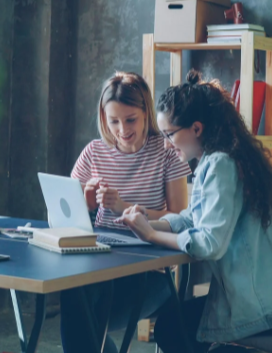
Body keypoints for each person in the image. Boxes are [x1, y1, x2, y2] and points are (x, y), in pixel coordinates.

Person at [118, 69, 272, 353]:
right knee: (177, 325)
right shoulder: (219, 159)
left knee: (172, 328)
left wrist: (150, 234)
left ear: (196, 129)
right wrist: (150, 221)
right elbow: (195, 218)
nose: (166, 143)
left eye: (169, 134)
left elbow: (209, 242)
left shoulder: (220, 164)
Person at [60, 71, 191, 353]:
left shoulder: (168, 152)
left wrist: (124, 208)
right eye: (114, 121)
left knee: (82, 311)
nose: (123, 130)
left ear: (146, 111)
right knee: (74, 294)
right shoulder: (94, 152)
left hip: (150, 273)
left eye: (130, 119)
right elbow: (65, 217)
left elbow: (181, 218)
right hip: (100, 265)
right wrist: (87, 204)